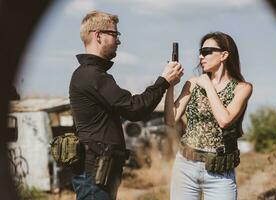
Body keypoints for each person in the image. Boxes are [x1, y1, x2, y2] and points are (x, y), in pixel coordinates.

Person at [69, 11, 183, 200]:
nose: (119, 41)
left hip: (100, 172)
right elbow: (134, 108)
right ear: (98, 35)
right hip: (95, 175)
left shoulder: (92, 74)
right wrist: (163, 81)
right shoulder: (92, 75)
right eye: (115, 34)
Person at [165, 32, 253, 200]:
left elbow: (224, 120)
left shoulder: (242, 88)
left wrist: (207, 84)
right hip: (185, 167)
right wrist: (170, 85)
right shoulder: (192, 83)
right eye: (200, 51)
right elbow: (170, 120)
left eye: (207, 51)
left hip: (219, 171)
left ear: (224, 55)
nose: (201, 56)